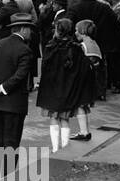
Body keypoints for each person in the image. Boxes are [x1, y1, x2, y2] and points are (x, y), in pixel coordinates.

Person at [0, 13, 36, 181]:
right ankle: (7, 178)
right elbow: (20, 75)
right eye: (30, 30)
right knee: (11, 142)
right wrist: (2, 88)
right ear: (24, 29)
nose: (31, 33)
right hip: (13, 103)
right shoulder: (25, 50)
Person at [36, 17, 93, 149]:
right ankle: (65, 146)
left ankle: (56, 148)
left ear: (57, 30)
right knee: (65, 119)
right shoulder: (76, 49)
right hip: (69, 89)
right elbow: (83, 70)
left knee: (54, 119)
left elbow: (44, 69)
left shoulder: (50, 47)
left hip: (52, 89)